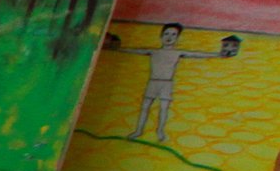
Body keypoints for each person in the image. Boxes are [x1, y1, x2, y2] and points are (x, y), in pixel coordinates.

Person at [103, 22, 240, 142]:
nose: (169, 37)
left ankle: (160, 132)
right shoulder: (153, 51)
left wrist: (218, 55)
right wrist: (115, 48)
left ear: (178, 38)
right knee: (145, 107)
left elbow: (198, 54)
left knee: (163, 108)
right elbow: (134, 50)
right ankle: (138, 131)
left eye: (173, 35)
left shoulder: (178, 52)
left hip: (166, 84)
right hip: (153, 82)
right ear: (161, 35)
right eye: (166, 33)